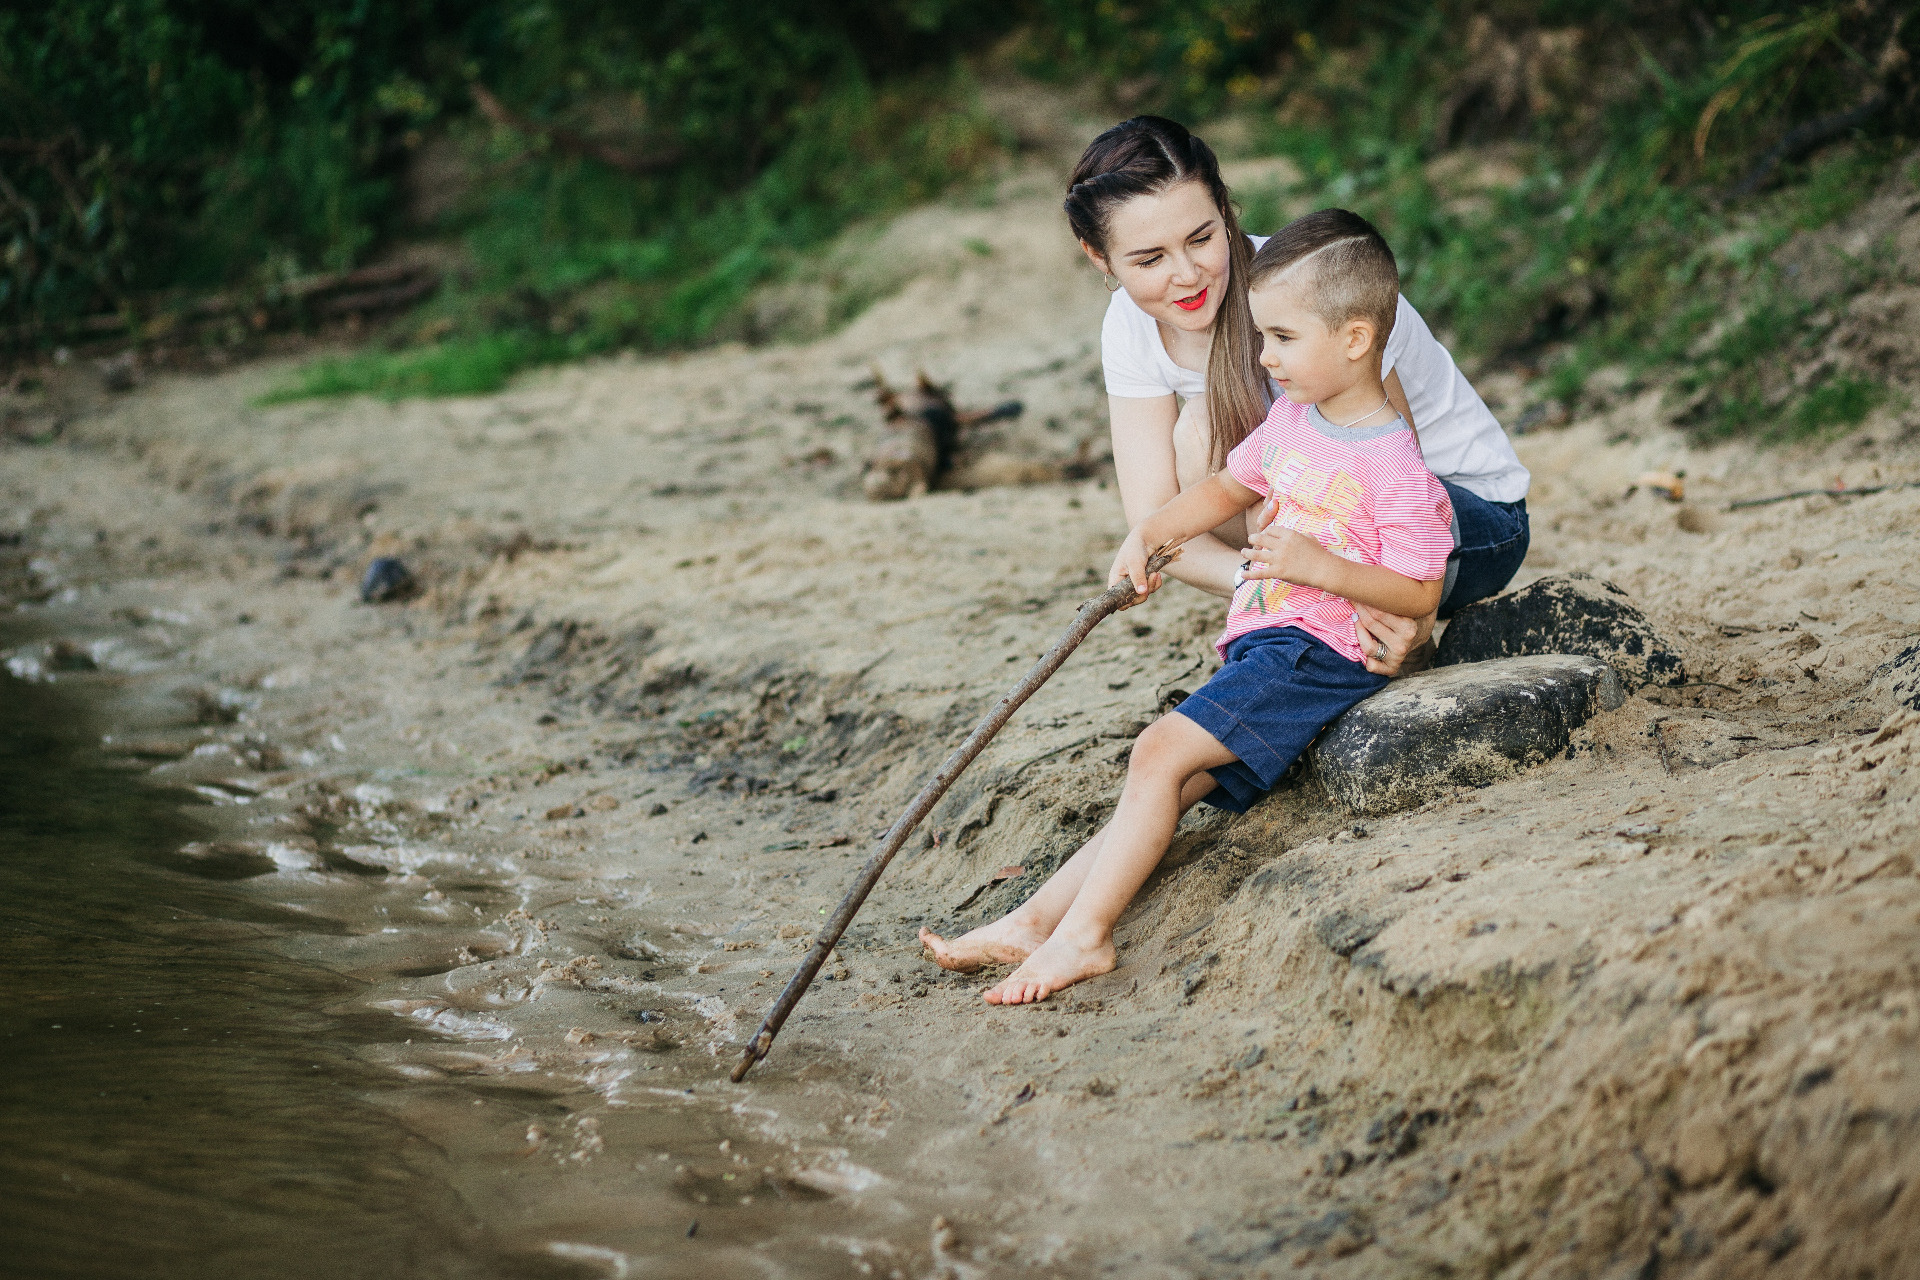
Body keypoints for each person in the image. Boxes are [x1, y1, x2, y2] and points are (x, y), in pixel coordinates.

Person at [922, 211, 1454, 1003]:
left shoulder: (1395, 463)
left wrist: (1325, 567)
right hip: (1269, 642)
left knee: (1157, 753)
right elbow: (1231, 487)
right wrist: (1154, 534)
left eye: (1280, 339)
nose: (1263, 358)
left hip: (1319, 655)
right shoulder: (1293, 420)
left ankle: (1085, 938)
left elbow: (1421, 590)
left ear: (1353, 338)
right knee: (1170, 780)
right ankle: (1035, 920)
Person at [1067, 116, 1529, 673]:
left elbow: (1399, 479)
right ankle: (1302, 626)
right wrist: (1264, 584)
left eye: (1202, 238)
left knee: (1235, 438)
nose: (1187, 275)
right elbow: (1158, 525)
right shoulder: (1129, 325)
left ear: (1226, 210)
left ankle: (1331, 639)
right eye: (1150, 259)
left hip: (1460, 527)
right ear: (1099, 257)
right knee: (1210, 436)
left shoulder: (1318, 289)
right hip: (1333, 556)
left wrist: (1410, 625)